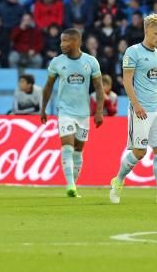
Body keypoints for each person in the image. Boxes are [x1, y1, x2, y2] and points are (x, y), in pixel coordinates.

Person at [110, 13, 157, 204]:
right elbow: (127, 80)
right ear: (146, 31)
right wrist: (136, 104)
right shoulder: (133, 52)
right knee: (139, 152)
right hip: (140, 110)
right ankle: (118, 180)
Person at [40, 28, 104, 197]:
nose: (62, 44)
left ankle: (74, 185)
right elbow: (48, 87)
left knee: (78, 150)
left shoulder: (91, 62)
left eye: (66, 41)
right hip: (65, 111)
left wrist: (99, 112)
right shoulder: (56, 62)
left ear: (76, 42)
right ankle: (70, 185)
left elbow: (99, 88)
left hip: (84, 114)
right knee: (67, 147)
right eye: (61, 41)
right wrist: (43, 108)